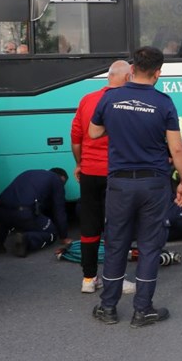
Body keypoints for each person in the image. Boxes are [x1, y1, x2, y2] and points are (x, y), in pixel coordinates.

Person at [89, 46, 182, 328]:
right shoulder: (164, 102)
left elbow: (93, 132)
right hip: (153, 182)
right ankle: (142, 310)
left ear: (132, 69)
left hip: (120, 182)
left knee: (116, 243)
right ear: (158, 73)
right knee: (149, 245)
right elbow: (177, 148)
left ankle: (108, 307)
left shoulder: (110, 98)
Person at [70, 60, 130, 293]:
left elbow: (76, 136)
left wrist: (79, 163)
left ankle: (88, 279)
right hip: (116, 174)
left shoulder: (87, 99)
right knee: (117, 226)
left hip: (89, 172)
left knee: (89, 225)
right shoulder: (127, 102)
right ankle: (116, 278)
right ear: (126, 78)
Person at [0, 168, 70, 257]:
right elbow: (59, 210)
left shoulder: (30, 173)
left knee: (11, 219)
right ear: (62, 177)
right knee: (52, 233)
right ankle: (26, 240)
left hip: (1, 209)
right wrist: (63, 236)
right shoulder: (56, 179)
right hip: (23, 212)